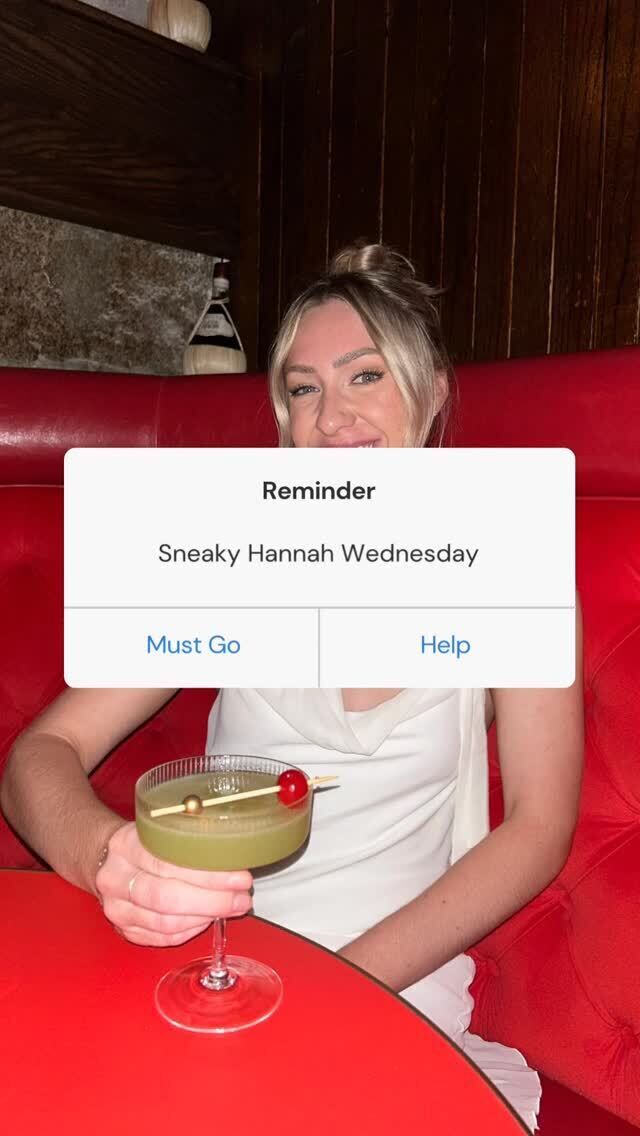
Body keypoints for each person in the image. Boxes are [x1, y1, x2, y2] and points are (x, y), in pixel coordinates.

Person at [1, 243, 583, 1131]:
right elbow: (40, 753)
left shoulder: (508, 562)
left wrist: (339, 983)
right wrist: (107, 857)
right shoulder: (236, 562)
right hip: (203, 968)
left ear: (430, 394)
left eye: (365, 376)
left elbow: (538, 830)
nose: (331, 417)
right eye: (303, 389)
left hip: (387, 984)